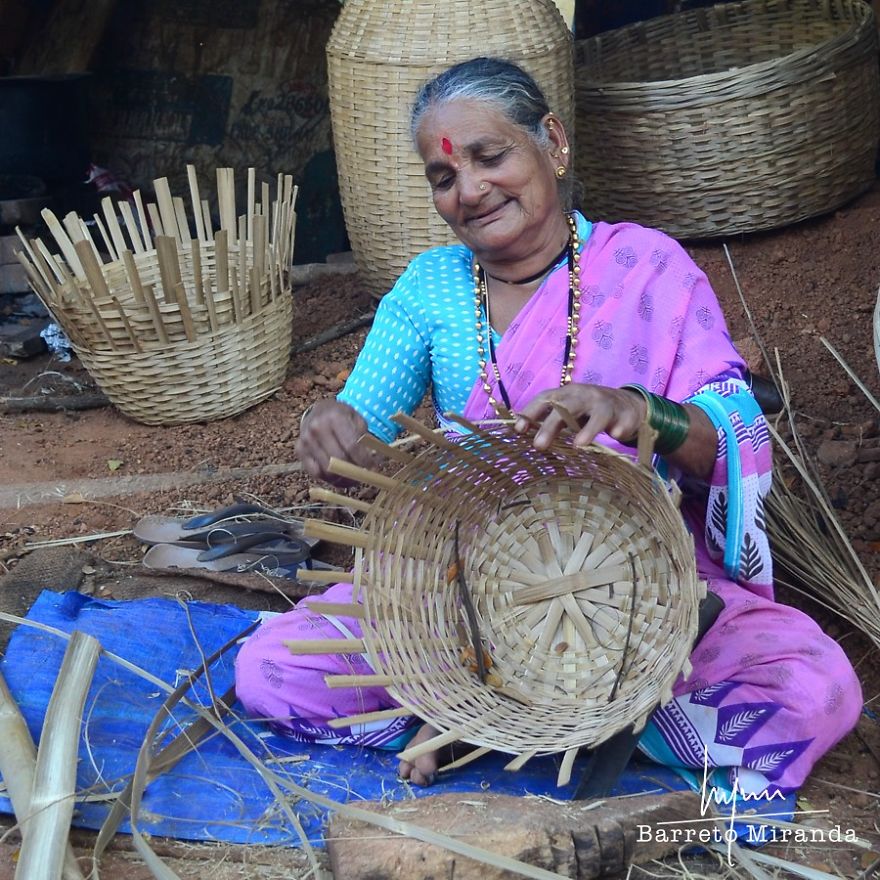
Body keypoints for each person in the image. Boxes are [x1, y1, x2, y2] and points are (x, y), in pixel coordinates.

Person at [235, 57, 861, 796]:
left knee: (815, 689)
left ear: (553, 144)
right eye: (443, 178)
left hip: (644, 602)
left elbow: (733, 439)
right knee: (271, 670)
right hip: (462, 600)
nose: (469, 190)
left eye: (489, 156)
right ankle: (492, 715)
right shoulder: (430, 290)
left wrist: (638, 411)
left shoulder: (645, 267)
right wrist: (326, 426)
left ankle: (561, 723)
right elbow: (364, 450)